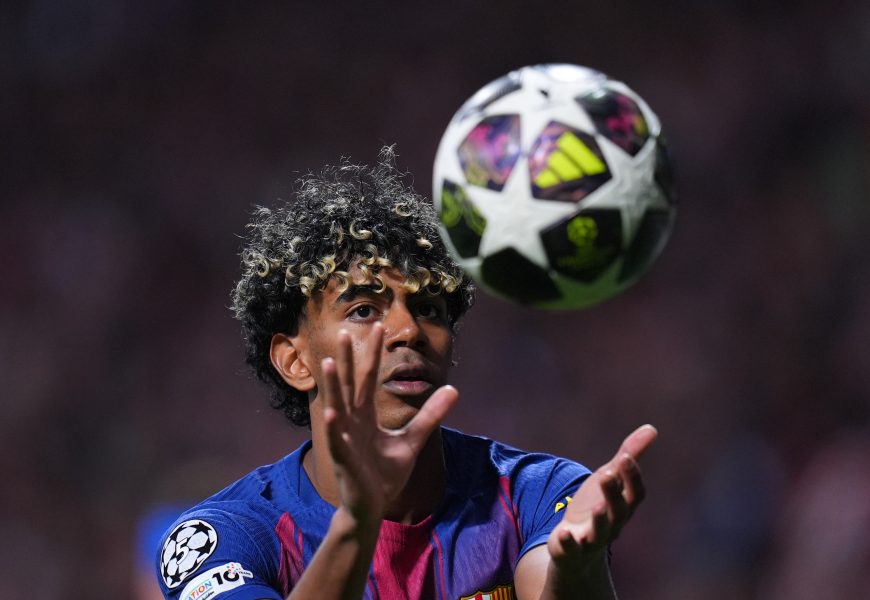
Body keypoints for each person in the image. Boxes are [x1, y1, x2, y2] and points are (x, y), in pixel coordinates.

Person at [155, 147, 657, 600]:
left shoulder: (536, 492)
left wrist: (578, 570)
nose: (408, 330)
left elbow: (549, 581)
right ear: (295, 361)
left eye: (429, 309)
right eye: (363, 310)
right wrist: (358, 522)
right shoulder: (220, 538)